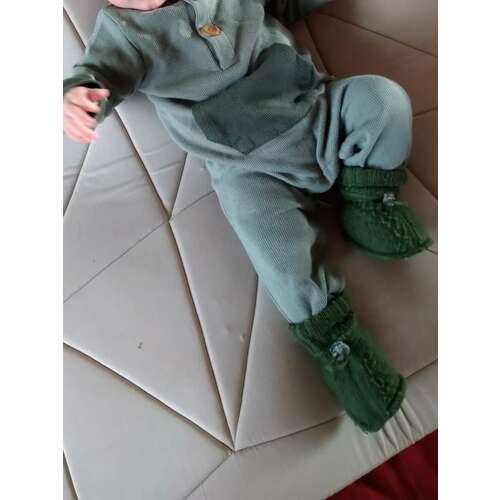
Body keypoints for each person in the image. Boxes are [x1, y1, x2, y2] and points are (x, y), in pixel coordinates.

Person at [63, 0, 432, 432]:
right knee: (277, 253)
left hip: (317, 110)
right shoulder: (125, 34)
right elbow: (99, 72)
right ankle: (340, 348)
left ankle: (370, 204)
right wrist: (77, 96)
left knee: (384, 100)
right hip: (246, 168)